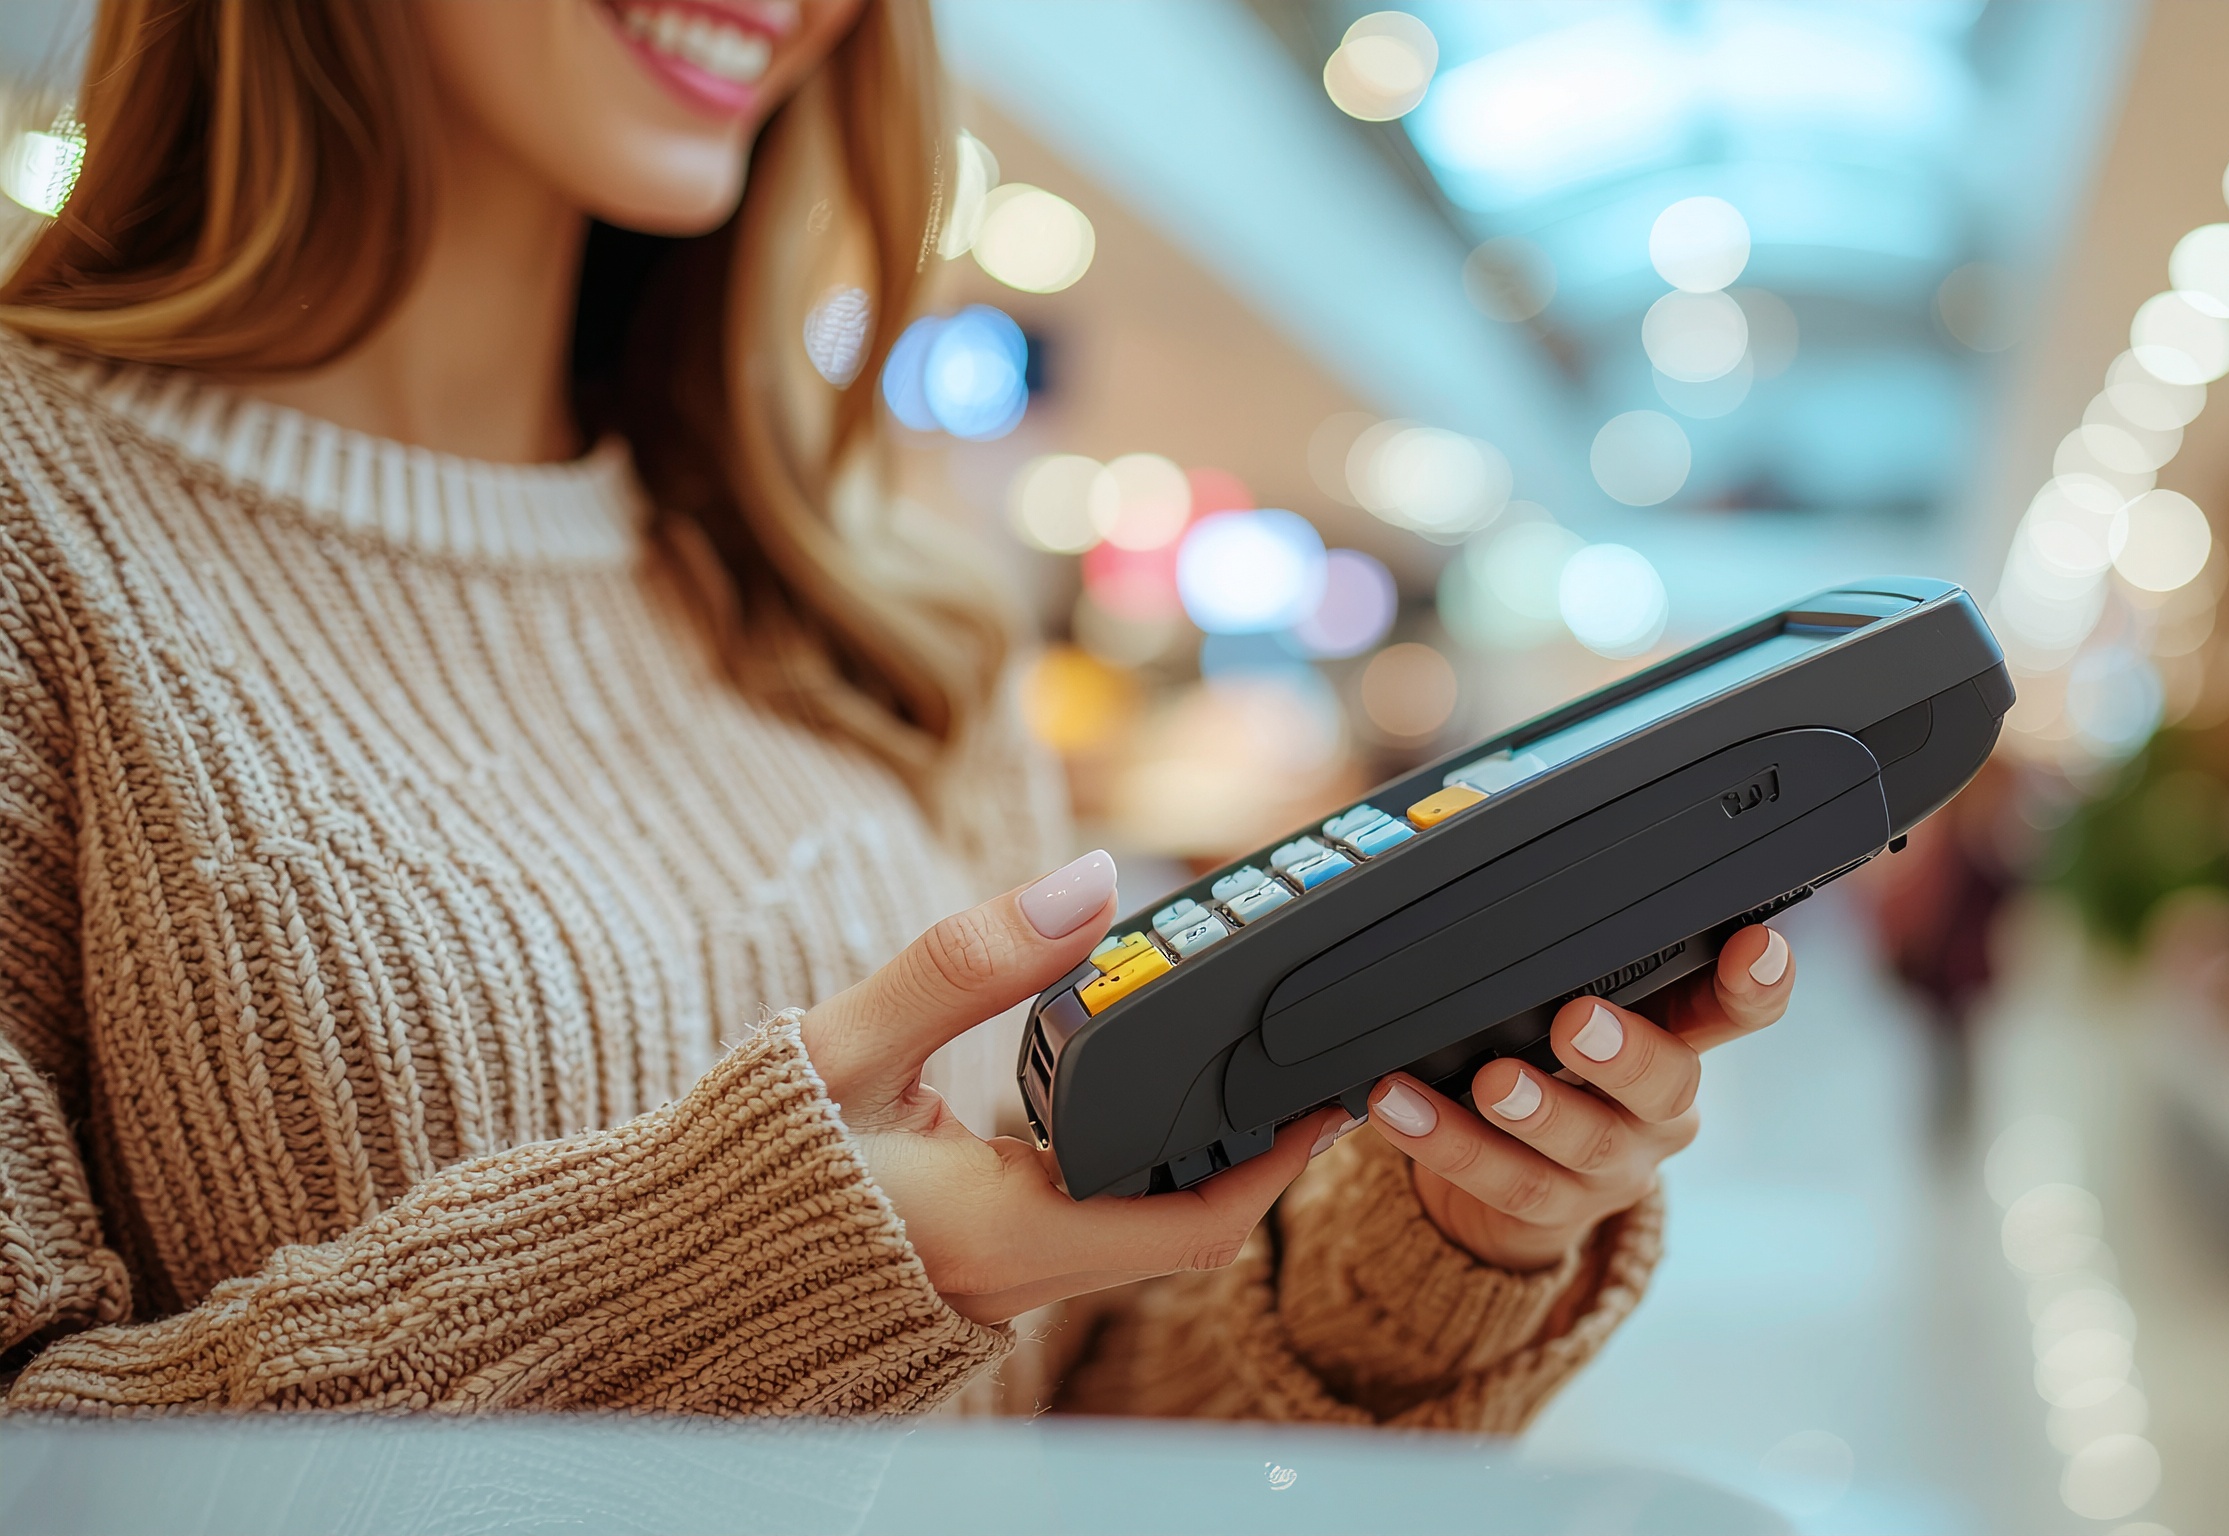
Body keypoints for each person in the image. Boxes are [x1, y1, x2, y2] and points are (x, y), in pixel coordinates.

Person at [0, 0, 1797, 1419]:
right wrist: (774, 1264)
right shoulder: (41, 537)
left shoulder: (884, 609)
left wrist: (1442, 1239)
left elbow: (1071, 1413)